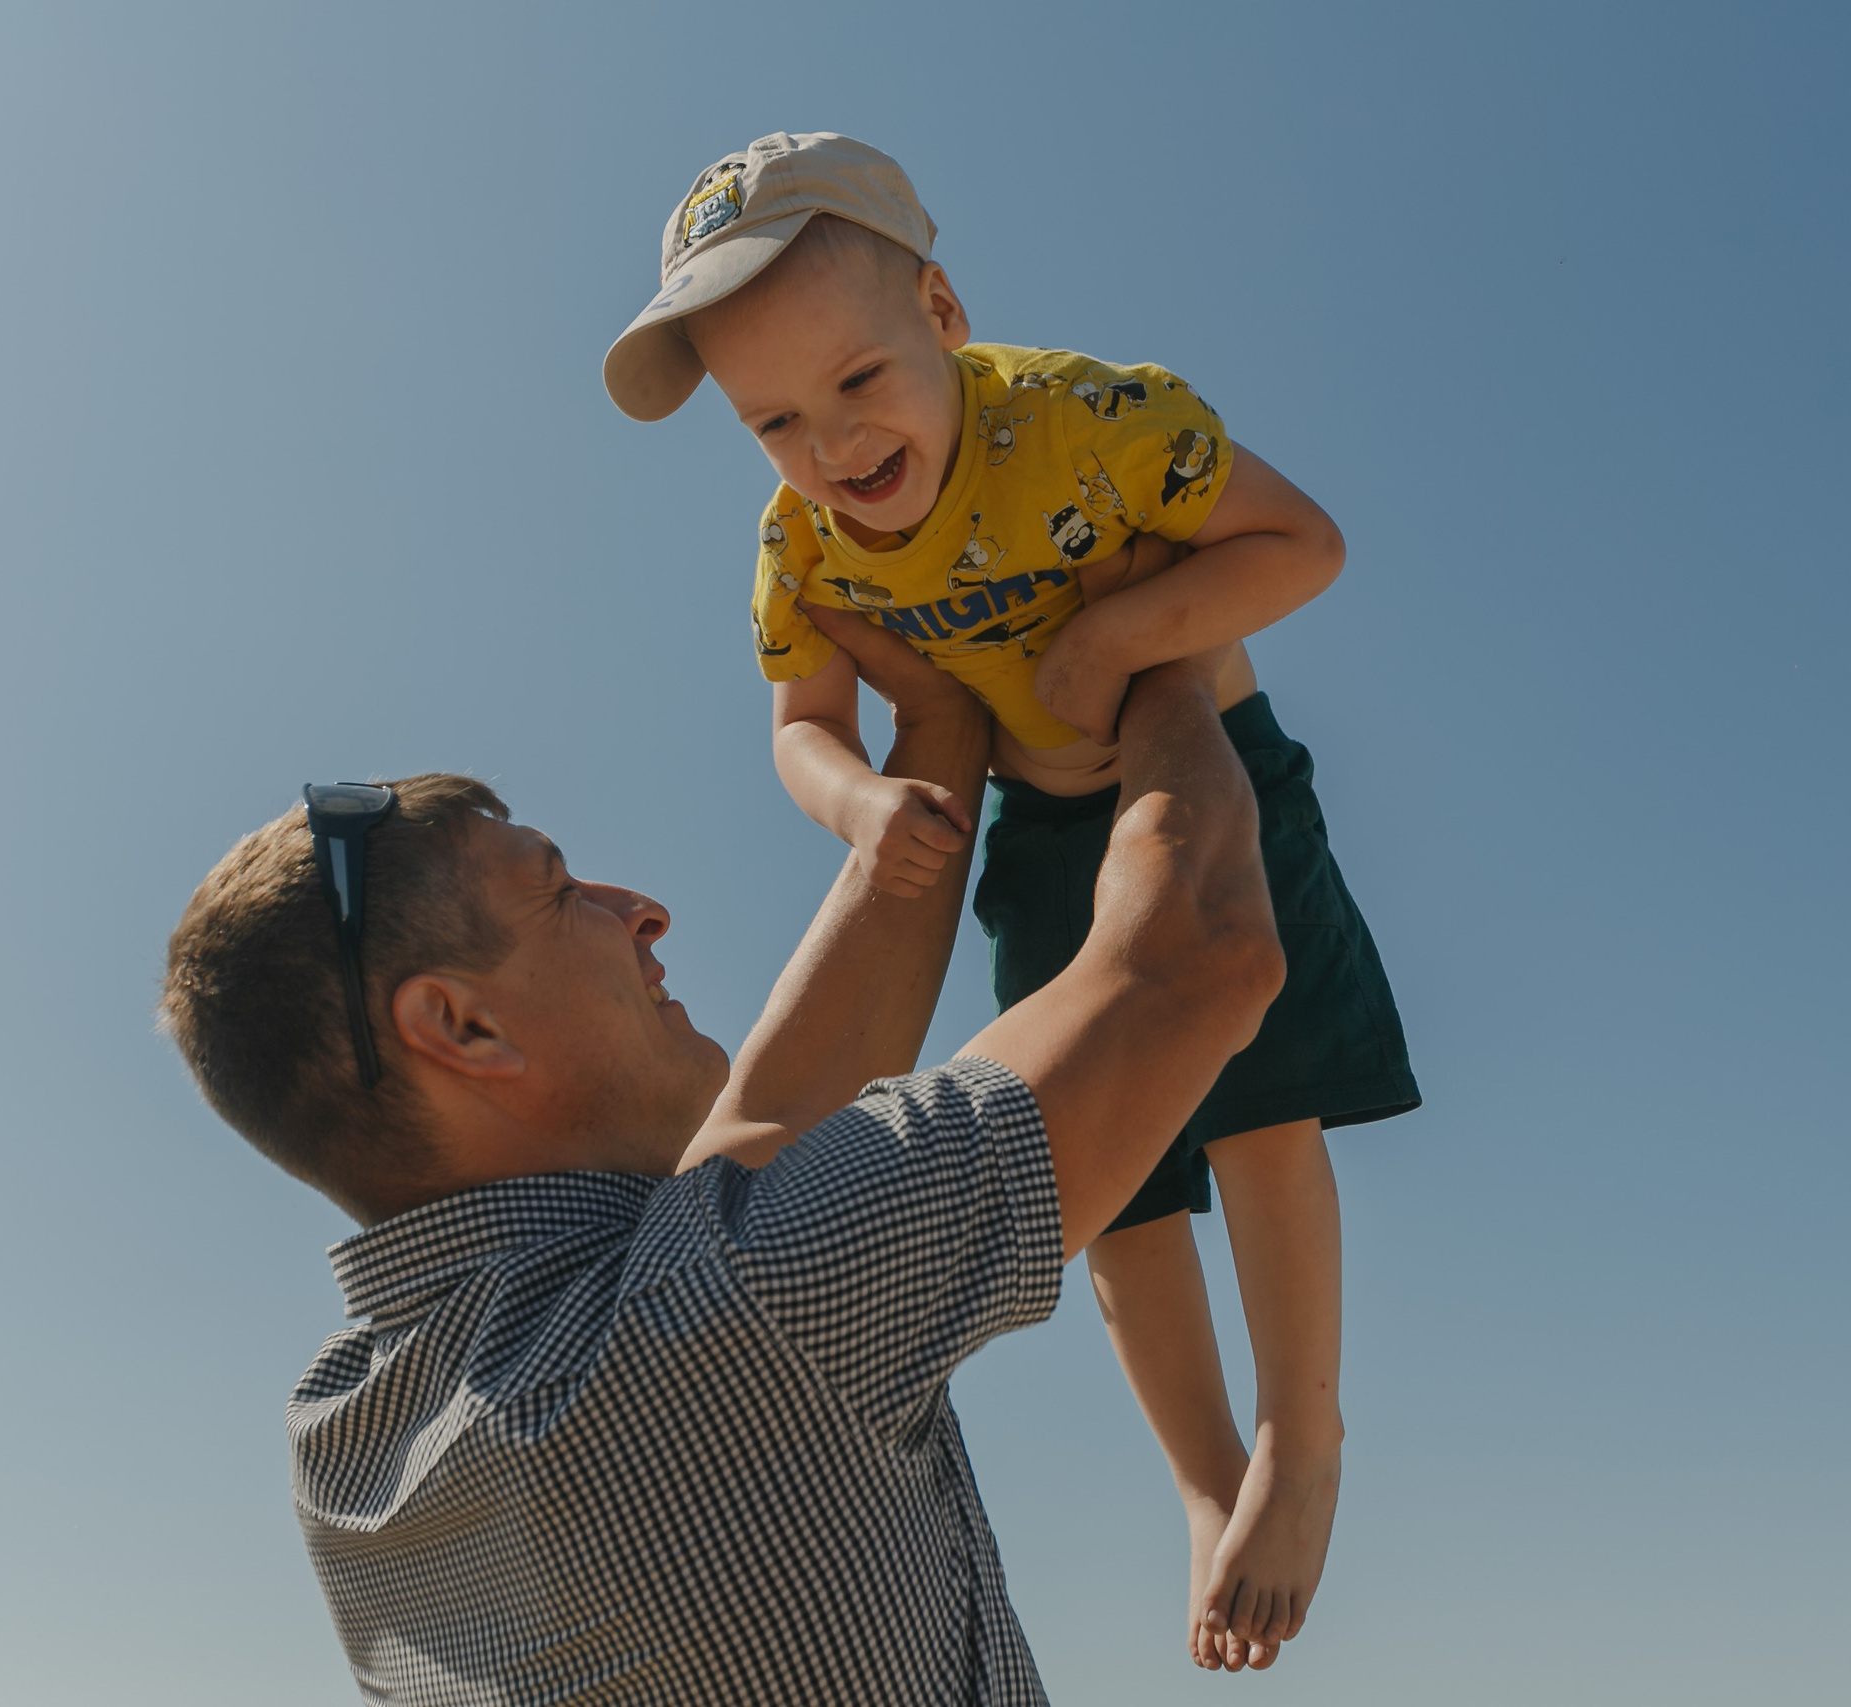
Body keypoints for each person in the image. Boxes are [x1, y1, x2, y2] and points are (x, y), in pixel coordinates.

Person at [603, 130, 1420, 1664]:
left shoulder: (1092, 422)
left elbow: (1298, 544)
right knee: (1099, 1174)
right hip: (1043, 826)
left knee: (1257, 1099)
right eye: (774, 418)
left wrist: (1121, 643)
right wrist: (863, 802)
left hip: (1208, 760)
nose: (833, 444)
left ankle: (1299, 1427)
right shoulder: (799, 545)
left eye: (858, 379)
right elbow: (800, 727)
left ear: (945, 311)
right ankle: (1202, 1479)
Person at [157, 613, 1288, 1703]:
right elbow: (1196, 947)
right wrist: (1156, 641)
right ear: (461, 1028)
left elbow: (772, 1110)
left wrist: (934, 720)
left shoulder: (346, 1440)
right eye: (560, 892)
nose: (638, 910)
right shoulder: (729, 1312)